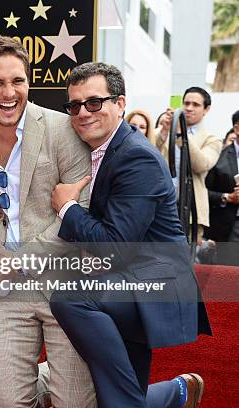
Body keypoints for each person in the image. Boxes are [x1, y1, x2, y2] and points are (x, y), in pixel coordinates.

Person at [50, 62, 212, 408]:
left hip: (156, 286)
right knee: (129, 393)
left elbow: (115, 247)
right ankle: (177, 392)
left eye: (94, 102)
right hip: (127, 281)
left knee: (70, 297)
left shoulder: (136, 156)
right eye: (74, 105)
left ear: (120, 104)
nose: (82, 112)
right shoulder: (106, 149)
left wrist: (67, 207)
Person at [0, 35, 96, 408]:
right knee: (9, 400)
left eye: (17, 80)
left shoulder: (62, 129)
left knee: (74, 402)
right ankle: (41, 380)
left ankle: (53, 378)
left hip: (65, 281)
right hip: (8, 292)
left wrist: (19, 259)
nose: (9, 92)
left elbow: (81, 207)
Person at [155, 87, 222, 243]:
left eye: (195, 104)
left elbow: (202, 164)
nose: (189, 108)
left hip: (191, 211)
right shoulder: (164, 130)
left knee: (187, 260)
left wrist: (180, 133)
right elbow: (148, 154)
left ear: (206, 110)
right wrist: (165, 131)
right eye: (186, 103)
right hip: (161, 207)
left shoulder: (212, 139)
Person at [204, 110, 239, 265]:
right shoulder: (218, 157)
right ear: (237, 129)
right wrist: (227, 197)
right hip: (229, 228)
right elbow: (203, 193)